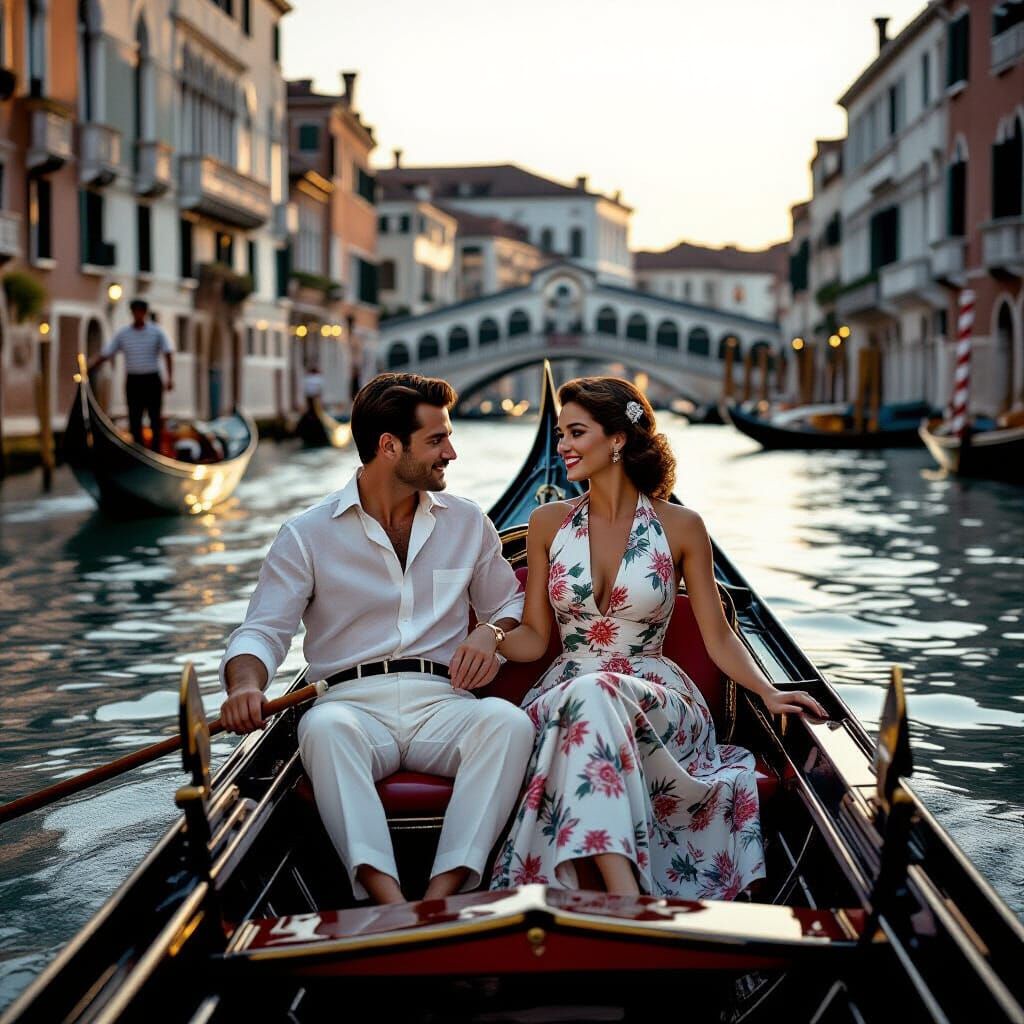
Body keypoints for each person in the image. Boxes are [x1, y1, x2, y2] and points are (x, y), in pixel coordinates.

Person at [484, 377, 826, 900]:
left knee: (593, 693)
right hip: (563, 696)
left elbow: (718, 635)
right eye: (560, 434)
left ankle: (603, 891)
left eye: (576, 432)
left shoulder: (683, 526)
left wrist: (767, 691)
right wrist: (488, 637)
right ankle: (629, 895)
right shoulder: (547, 522)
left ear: (618, 439)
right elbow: (532, 638)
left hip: (657, 701)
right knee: (588, 694)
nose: (562, 447)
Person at [219, 372, 534, 905]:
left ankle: (444, 892)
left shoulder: (468, 522)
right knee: (324, 730)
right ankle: (387, 900)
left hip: (442, 702)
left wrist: (489, 632)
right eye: (437, 440)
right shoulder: (307, 534)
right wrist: (244, 688)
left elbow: (510, 604)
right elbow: (263, 631)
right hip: (350, 706)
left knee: (508, 724)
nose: (451, 453)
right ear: (390, 447)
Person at [89, 299, 174, 452]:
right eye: (135, 311)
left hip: (152, 380)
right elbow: (107, 353)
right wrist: (89, 367)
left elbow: (168, 353)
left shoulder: (157, 332)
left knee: (155, 419)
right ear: (132, 313)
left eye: (140, 311)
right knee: (134, 419)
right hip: (133, 381)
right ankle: (139, 450)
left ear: (145, 313)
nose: (138, 314)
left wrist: (170, 378)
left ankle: (156, 451)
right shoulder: (123, 334)